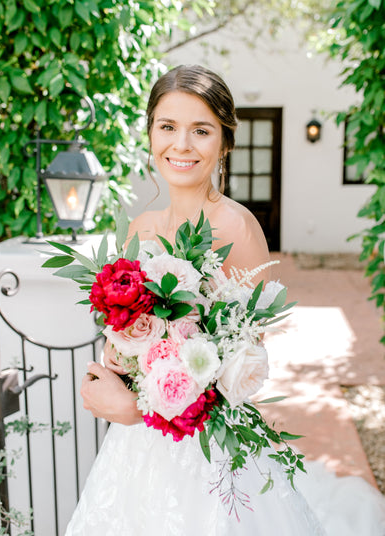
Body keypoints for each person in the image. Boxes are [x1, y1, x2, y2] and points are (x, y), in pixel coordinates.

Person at [65, 65, 385, 536]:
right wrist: (115, 361)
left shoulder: (236, 227)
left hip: (207, 453)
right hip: (136, 452)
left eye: (201, 130)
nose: (181, 145)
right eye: (168, 127)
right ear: (151, 133)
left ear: (225, 142)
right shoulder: (141, 229)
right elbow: (132, 329)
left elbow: (243, 365)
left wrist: (136, 408)